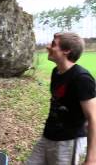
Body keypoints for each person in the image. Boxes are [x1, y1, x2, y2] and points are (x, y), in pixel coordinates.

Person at [26, 32, 96, 165]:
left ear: (66, 51)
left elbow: (93, 117)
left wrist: (92, 159)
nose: (48, 47)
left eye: (53, 44)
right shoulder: (56, 72)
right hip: (48, 135)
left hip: (68, 142)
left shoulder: (82, 78)